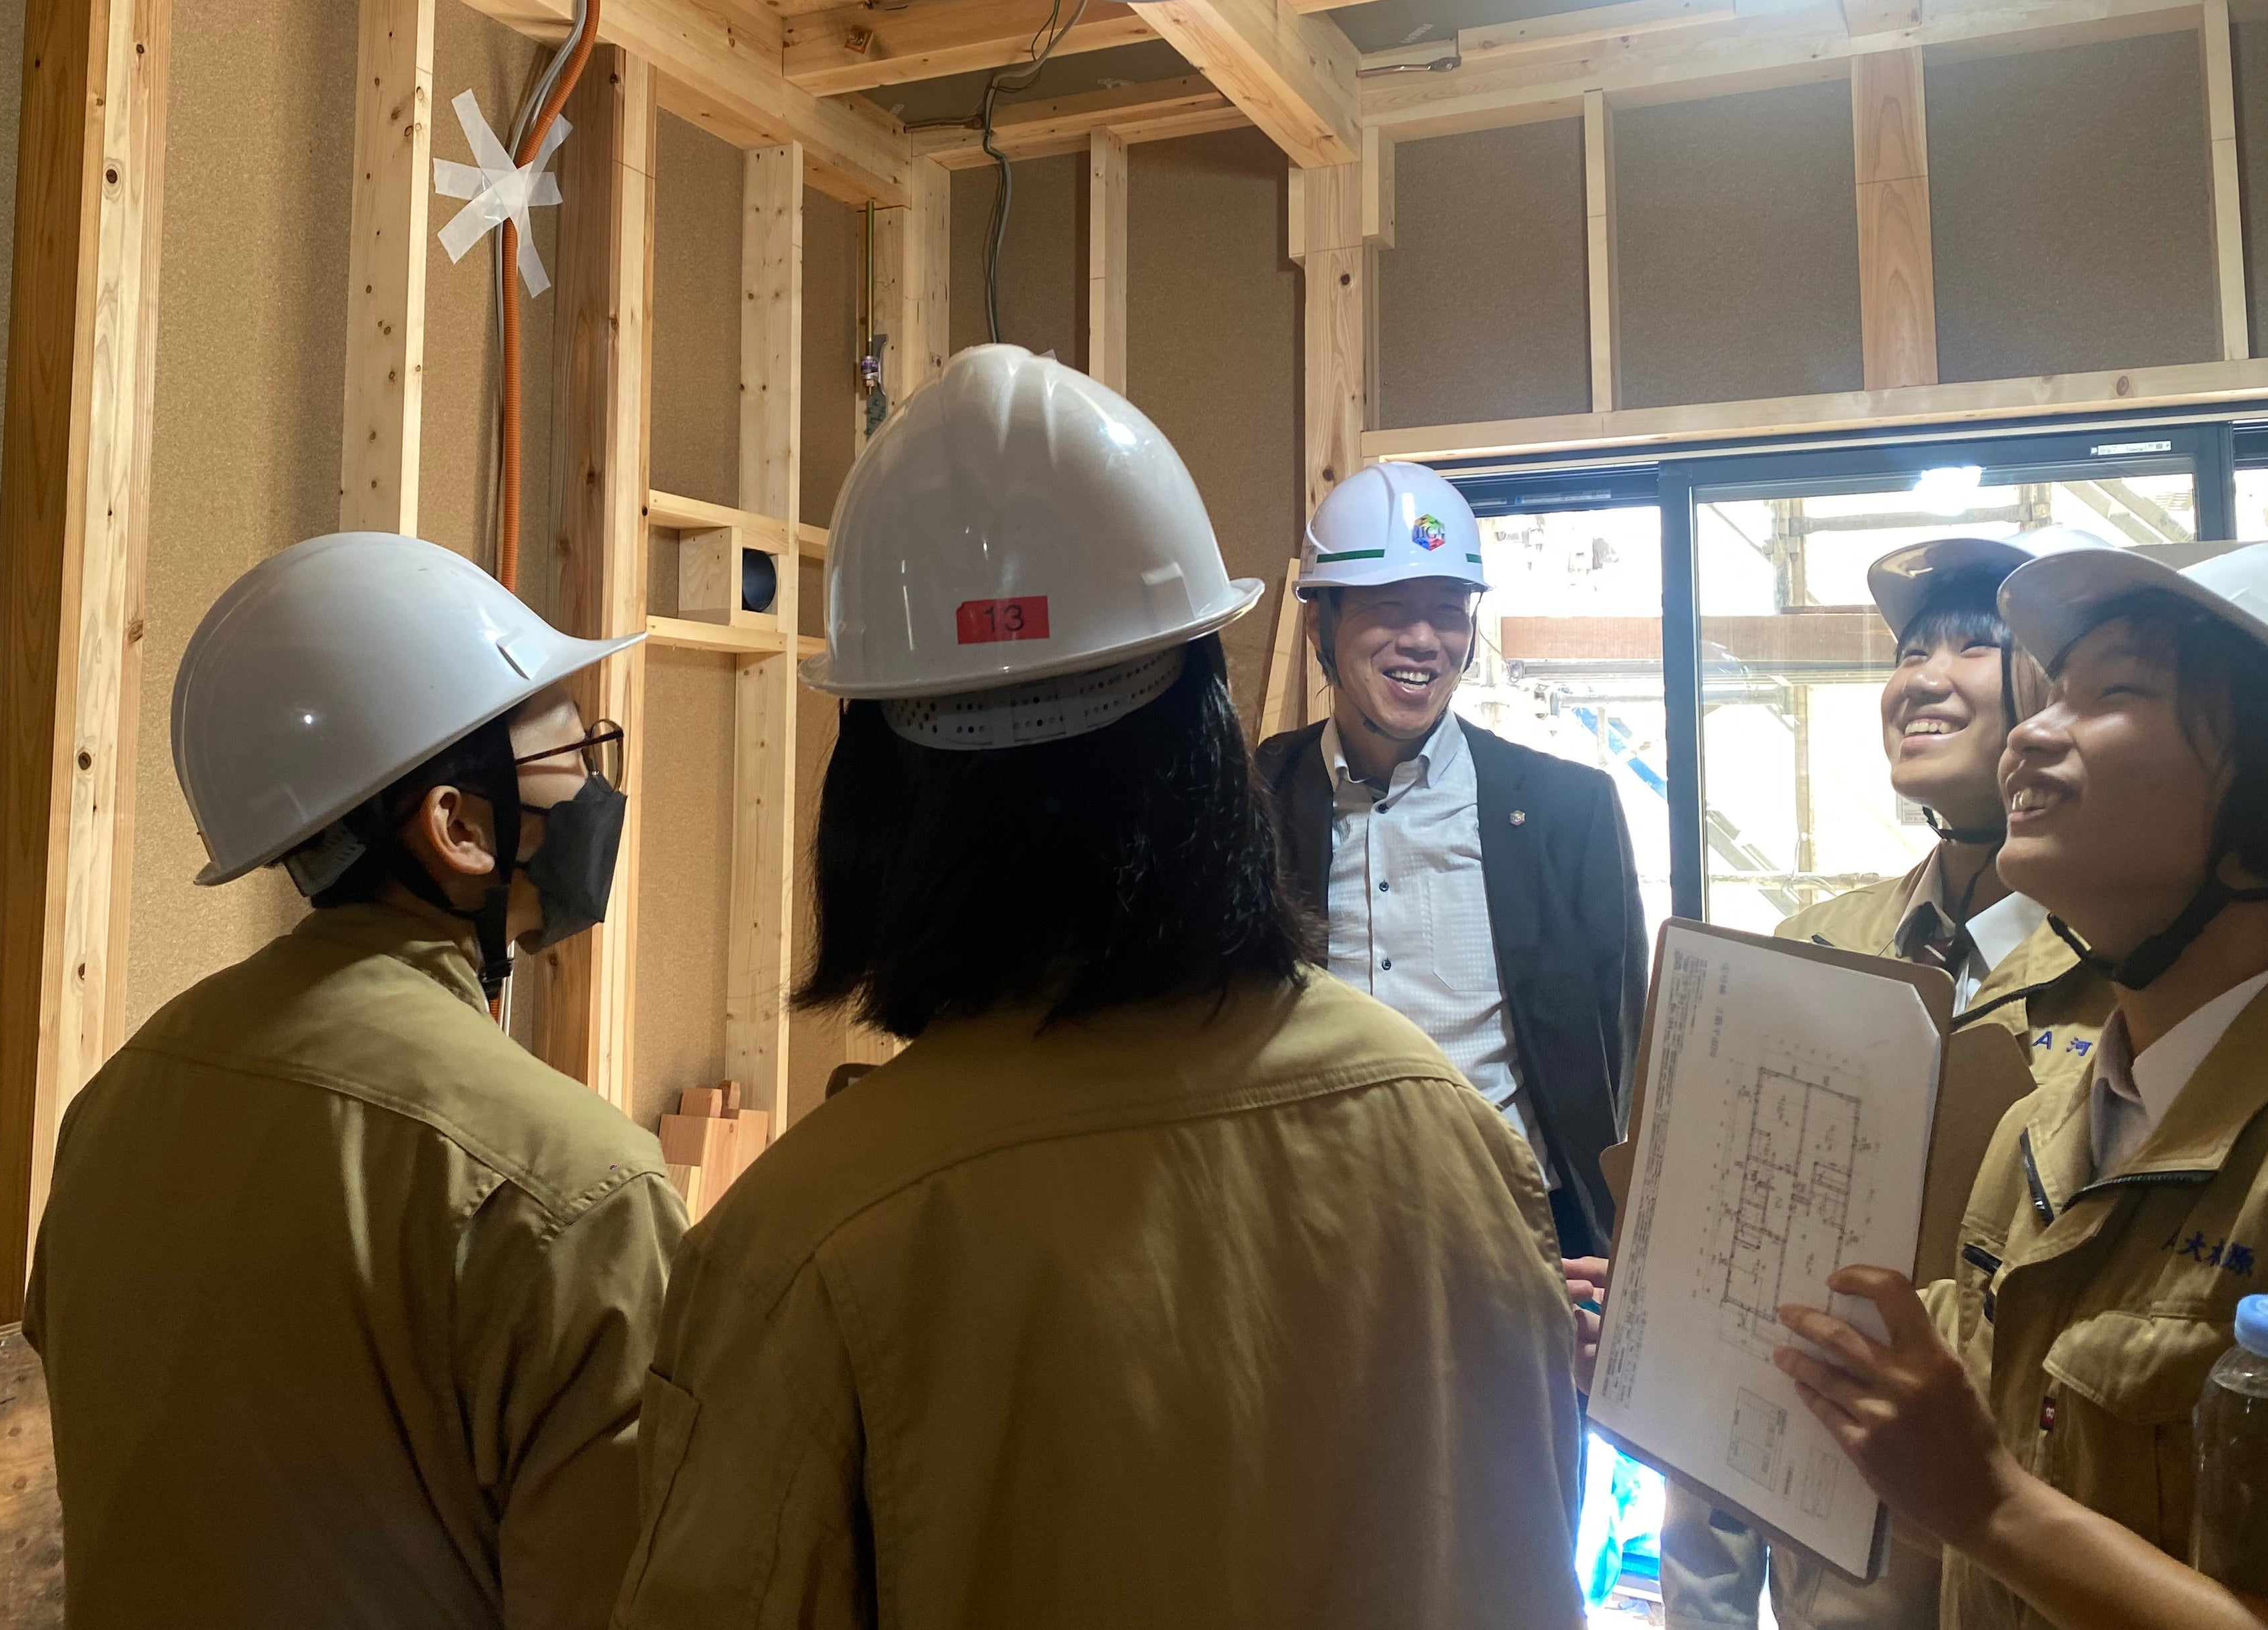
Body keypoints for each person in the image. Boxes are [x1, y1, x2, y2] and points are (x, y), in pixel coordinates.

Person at [612, 345, 1586, 1629]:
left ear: (873, 801)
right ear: (1212, 737)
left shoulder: (801, 1247)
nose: (1422, 636)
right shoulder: (1450, 1139)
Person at [25, 532, 687, 1630]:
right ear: (459, 826)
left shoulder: (126, 1095)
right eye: (572, 749)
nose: (596, 786)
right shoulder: (577, 1189)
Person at [1764, 538, 2268, 1629]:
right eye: (2052, 695)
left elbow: (1988, 1496)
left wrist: (1994, 1508)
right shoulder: (2042, 1132)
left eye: (2114, 694)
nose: (2031, 735)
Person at [1663, 528, 2119, 1630]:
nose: (1922, 677)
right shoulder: (1813, 950)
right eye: (1910, 652)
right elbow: (1736, 1298)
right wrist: (1706, 1602)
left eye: (1972, 647)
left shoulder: (2129, 969)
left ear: (2050, 697)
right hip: (1832, 1570)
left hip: (2049, 1570)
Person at [1257, 459, 1648, 1263]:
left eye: (1448, 609)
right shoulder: (1255, 799)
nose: (1423, 640)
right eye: (1389, 607)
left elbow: (1623, 1050)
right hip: (1314, 1233)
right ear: (1319, 625)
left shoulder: (1567, 812)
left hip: (1520, 1231)